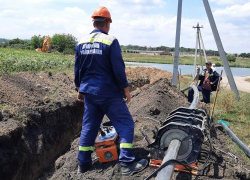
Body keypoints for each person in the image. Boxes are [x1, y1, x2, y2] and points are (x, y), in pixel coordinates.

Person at [74, 6, 148, 176]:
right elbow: (118, 69)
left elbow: (78, 69)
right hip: (108, 92)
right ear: (107, 23)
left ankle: (83, 164)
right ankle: (127, 163)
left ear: (94, 22)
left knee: (89, 127)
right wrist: (126, 90)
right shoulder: (110, 41)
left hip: (89, 93)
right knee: (126, 124)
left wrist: (79, 89)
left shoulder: (80, 42)